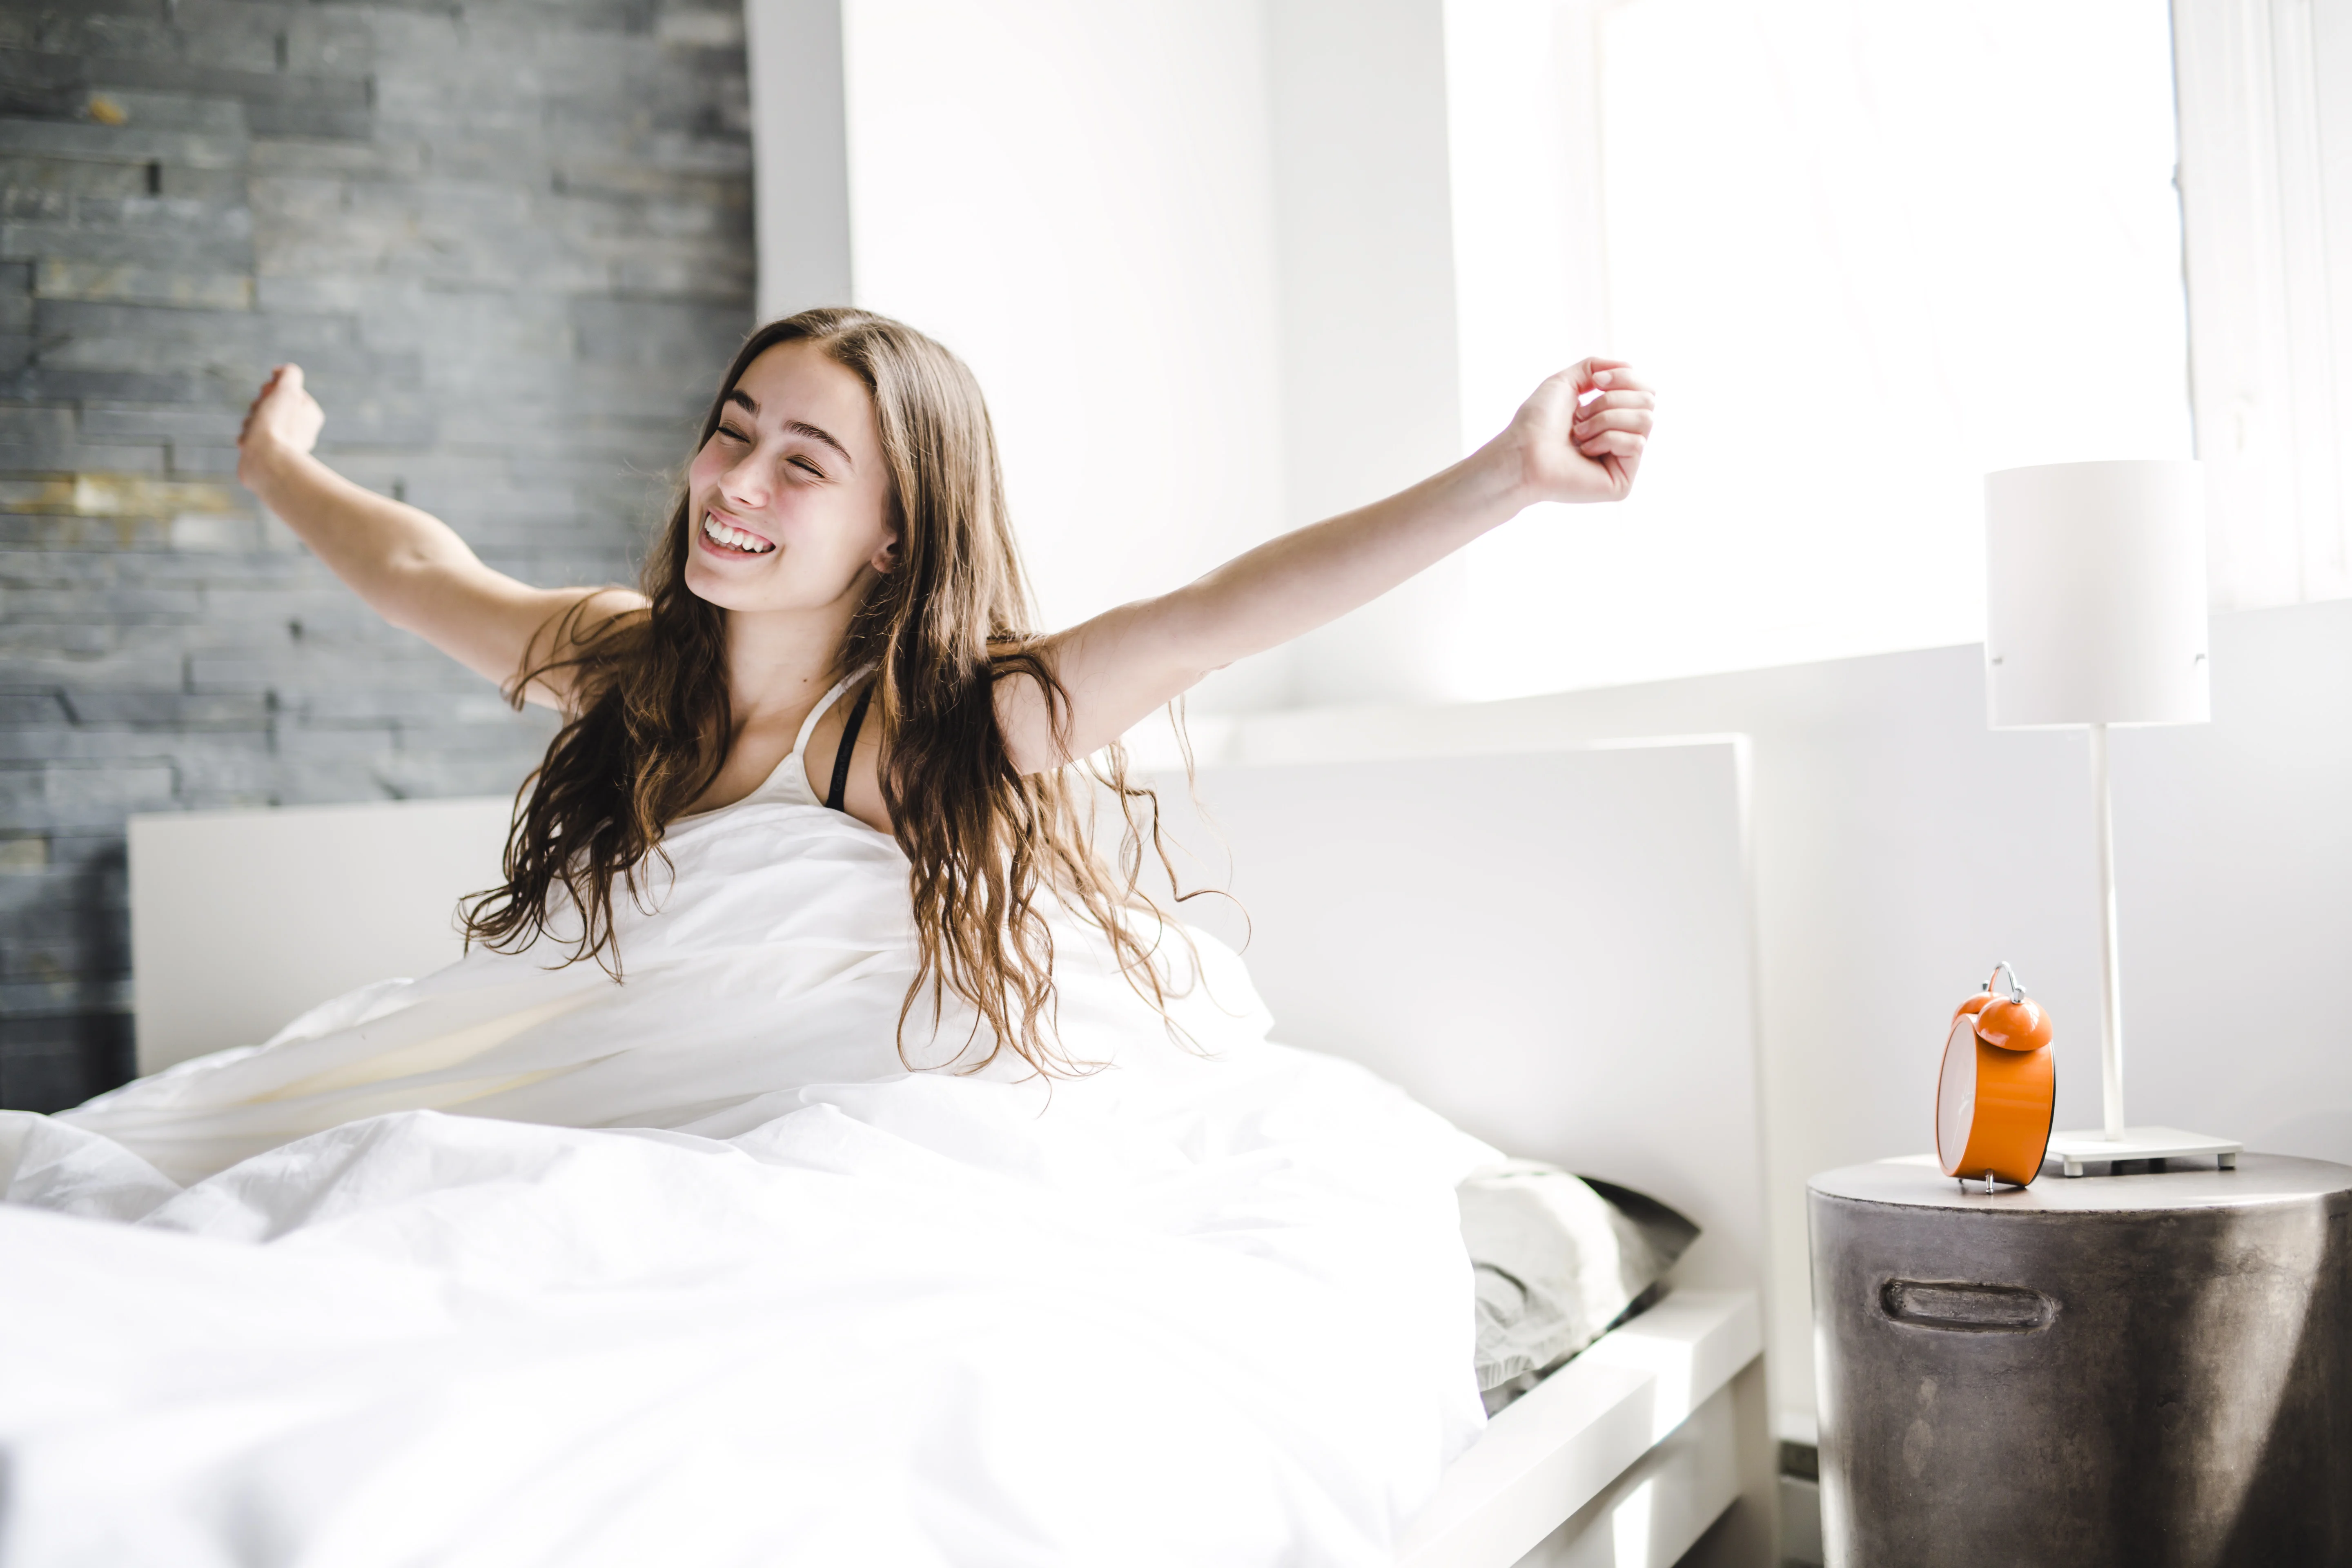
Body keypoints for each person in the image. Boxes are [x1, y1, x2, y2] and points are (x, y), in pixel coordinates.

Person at [0, 308, 1655, 1567]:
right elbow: (424, 569)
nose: (736, 483)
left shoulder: (933, 725)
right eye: (735, 432)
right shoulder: (634, 666)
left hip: (861, 1124)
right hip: (647, 1094)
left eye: (805, 461)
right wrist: (285, 472)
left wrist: (1508, 476)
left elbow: (1222, 611)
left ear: (894, 529)